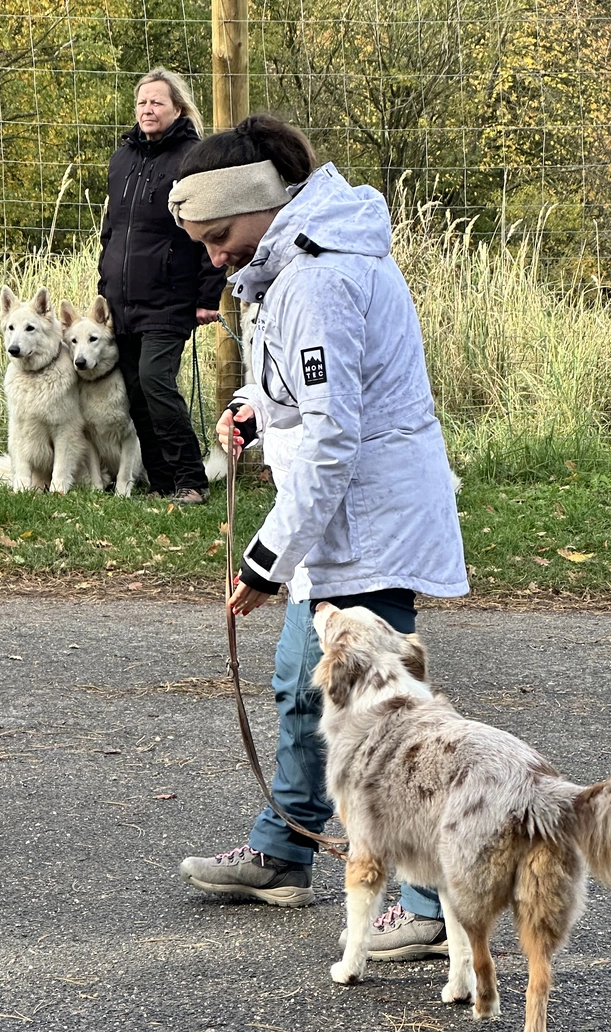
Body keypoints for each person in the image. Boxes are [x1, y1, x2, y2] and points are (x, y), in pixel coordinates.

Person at [171, 116, 469, 960]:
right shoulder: (290, 265)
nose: (213, 256)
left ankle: (424, 900)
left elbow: (336, 431)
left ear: (259, 206)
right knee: (304, 689)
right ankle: (283, 848)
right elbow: (309, 390)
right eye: (201, 241)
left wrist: (265, 558)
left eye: (219, 235)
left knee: (384, 719)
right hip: (334, 518)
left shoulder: (316, 278)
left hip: (362, 522)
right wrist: (254, 411)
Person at [97, 69, 227, 504]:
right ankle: (162, 483)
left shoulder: (192, 158)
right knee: (134, 390)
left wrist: (209, 296)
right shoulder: (121, 160)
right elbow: (111, 230)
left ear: (177, 108)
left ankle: (192, 480)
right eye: (141, 102)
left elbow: (212, 230)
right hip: (122, 299)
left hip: (170, 297)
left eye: (156, 102)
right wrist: (104, 287)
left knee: (156, 381)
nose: (147, 109)